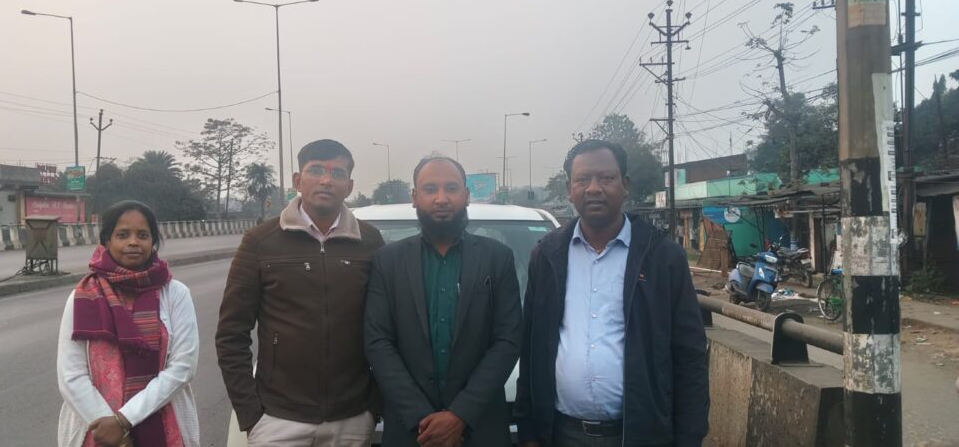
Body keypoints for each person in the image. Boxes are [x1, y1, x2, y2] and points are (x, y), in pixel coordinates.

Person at [514, 139, 709, 447]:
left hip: (639, 435)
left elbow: (690, 354)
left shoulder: (662, 258)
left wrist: (689, 437)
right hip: (562, 434)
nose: (594, 188)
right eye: (582, 179)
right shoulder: (547, 257)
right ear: (569, 189)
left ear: (625, 184)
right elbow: (532, 347)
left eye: (606, 178)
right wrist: (528, 431)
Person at [217, 139, 385, 446]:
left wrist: (373, 405)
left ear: (349, 186)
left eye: (337, 173)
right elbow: (231, 332)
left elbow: (387, 326)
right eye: (316, 170)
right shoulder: (260, 241)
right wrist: (250, 413)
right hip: (278, 419)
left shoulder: (370, 242)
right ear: (298, 181)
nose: (326, 180)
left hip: (352, 418)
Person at [365, 157, 522, 446]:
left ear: (466, 195)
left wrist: (460, 415)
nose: (441, 198)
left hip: (480, 428)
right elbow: (378, 341)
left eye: (451, 188)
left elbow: (508, 340)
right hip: (409, 430)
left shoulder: (497, 258)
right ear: (415, 197)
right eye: (430, 189)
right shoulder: (388, 261)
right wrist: (421, 417)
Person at [57, 200, 200, 447]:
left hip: (163, 425)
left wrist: (123, 420)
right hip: (95, 428)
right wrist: (110, 430)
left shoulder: (176, 294)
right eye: (122, 235)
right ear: (107, 241)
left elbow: (183, 366)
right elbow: (71, 374)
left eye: (142, 235)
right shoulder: (82, 297)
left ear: (153, 241)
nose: (133, 242)